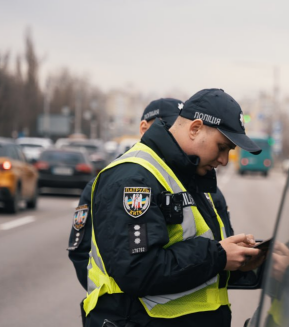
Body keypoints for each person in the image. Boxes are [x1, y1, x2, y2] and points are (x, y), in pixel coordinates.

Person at [83, 89, 266, 327]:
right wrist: (219, 256)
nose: (224, 160)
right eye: (222, 147)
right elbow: (137, 270)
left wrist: (245, 260)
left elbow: (199, 262)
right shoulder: (133, 178)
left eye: (229, 151)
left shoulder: (190, 176)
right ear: (195, 128)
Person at [67, 98, 237, 302]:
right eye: (165, 125)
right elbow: (89, 257)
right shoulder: (126, 179)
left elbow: (220, 253)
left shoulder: (202, 185)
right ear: (144, 128)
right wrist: (117, 308)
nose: (171, 133)